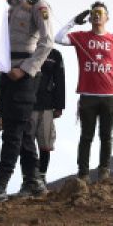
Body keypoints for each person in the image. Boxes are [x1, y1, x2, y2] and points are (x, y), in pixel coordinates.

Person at [0, 0, 55, 201]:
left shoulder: (40, 6)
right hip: (7, 68)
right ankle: (33, 181)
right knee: (22, 130)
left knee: (13, 130)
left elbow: (47, 42)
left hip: (24, 73)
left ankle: (0, 184)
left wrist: (24, 69)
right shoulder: (16, 0)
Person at [55, 2, 113, 181]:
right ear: (90, 17)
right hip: (88, 95)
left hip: (109, 96)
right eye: (94, 13)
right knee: (86, 136)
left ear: (107, 17)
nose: (97, 16)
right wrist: (74, 21)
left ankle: (104, 171)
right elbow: (58, 38)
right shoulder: (81, 37)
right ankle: (83, 173)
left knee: (106, 135)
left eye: (100, 13)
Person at [31, 48, 65, 192]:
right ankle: (29, 178)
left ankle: (42, 176)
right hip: (27, 104)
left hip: (47, 105)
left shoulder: (54, 54)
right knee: (26, 144)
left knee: (46, 143)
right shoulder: (25, 48)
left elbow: (60, 79)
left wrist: (59, 106)